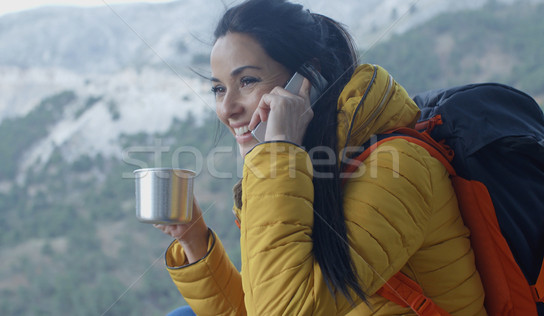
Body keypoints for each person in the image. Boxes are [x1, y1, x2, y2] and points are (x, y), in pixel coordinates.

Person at [156, 0, 486, 315]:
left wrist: (278, 151)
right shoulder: (303, 167)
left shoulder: (398, 167)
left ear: (306, 81)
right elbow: (261, 303)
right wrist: (194, 240)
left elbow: (279, 310)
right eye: (218, 89)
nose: (227, 109)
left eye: (247, 81)